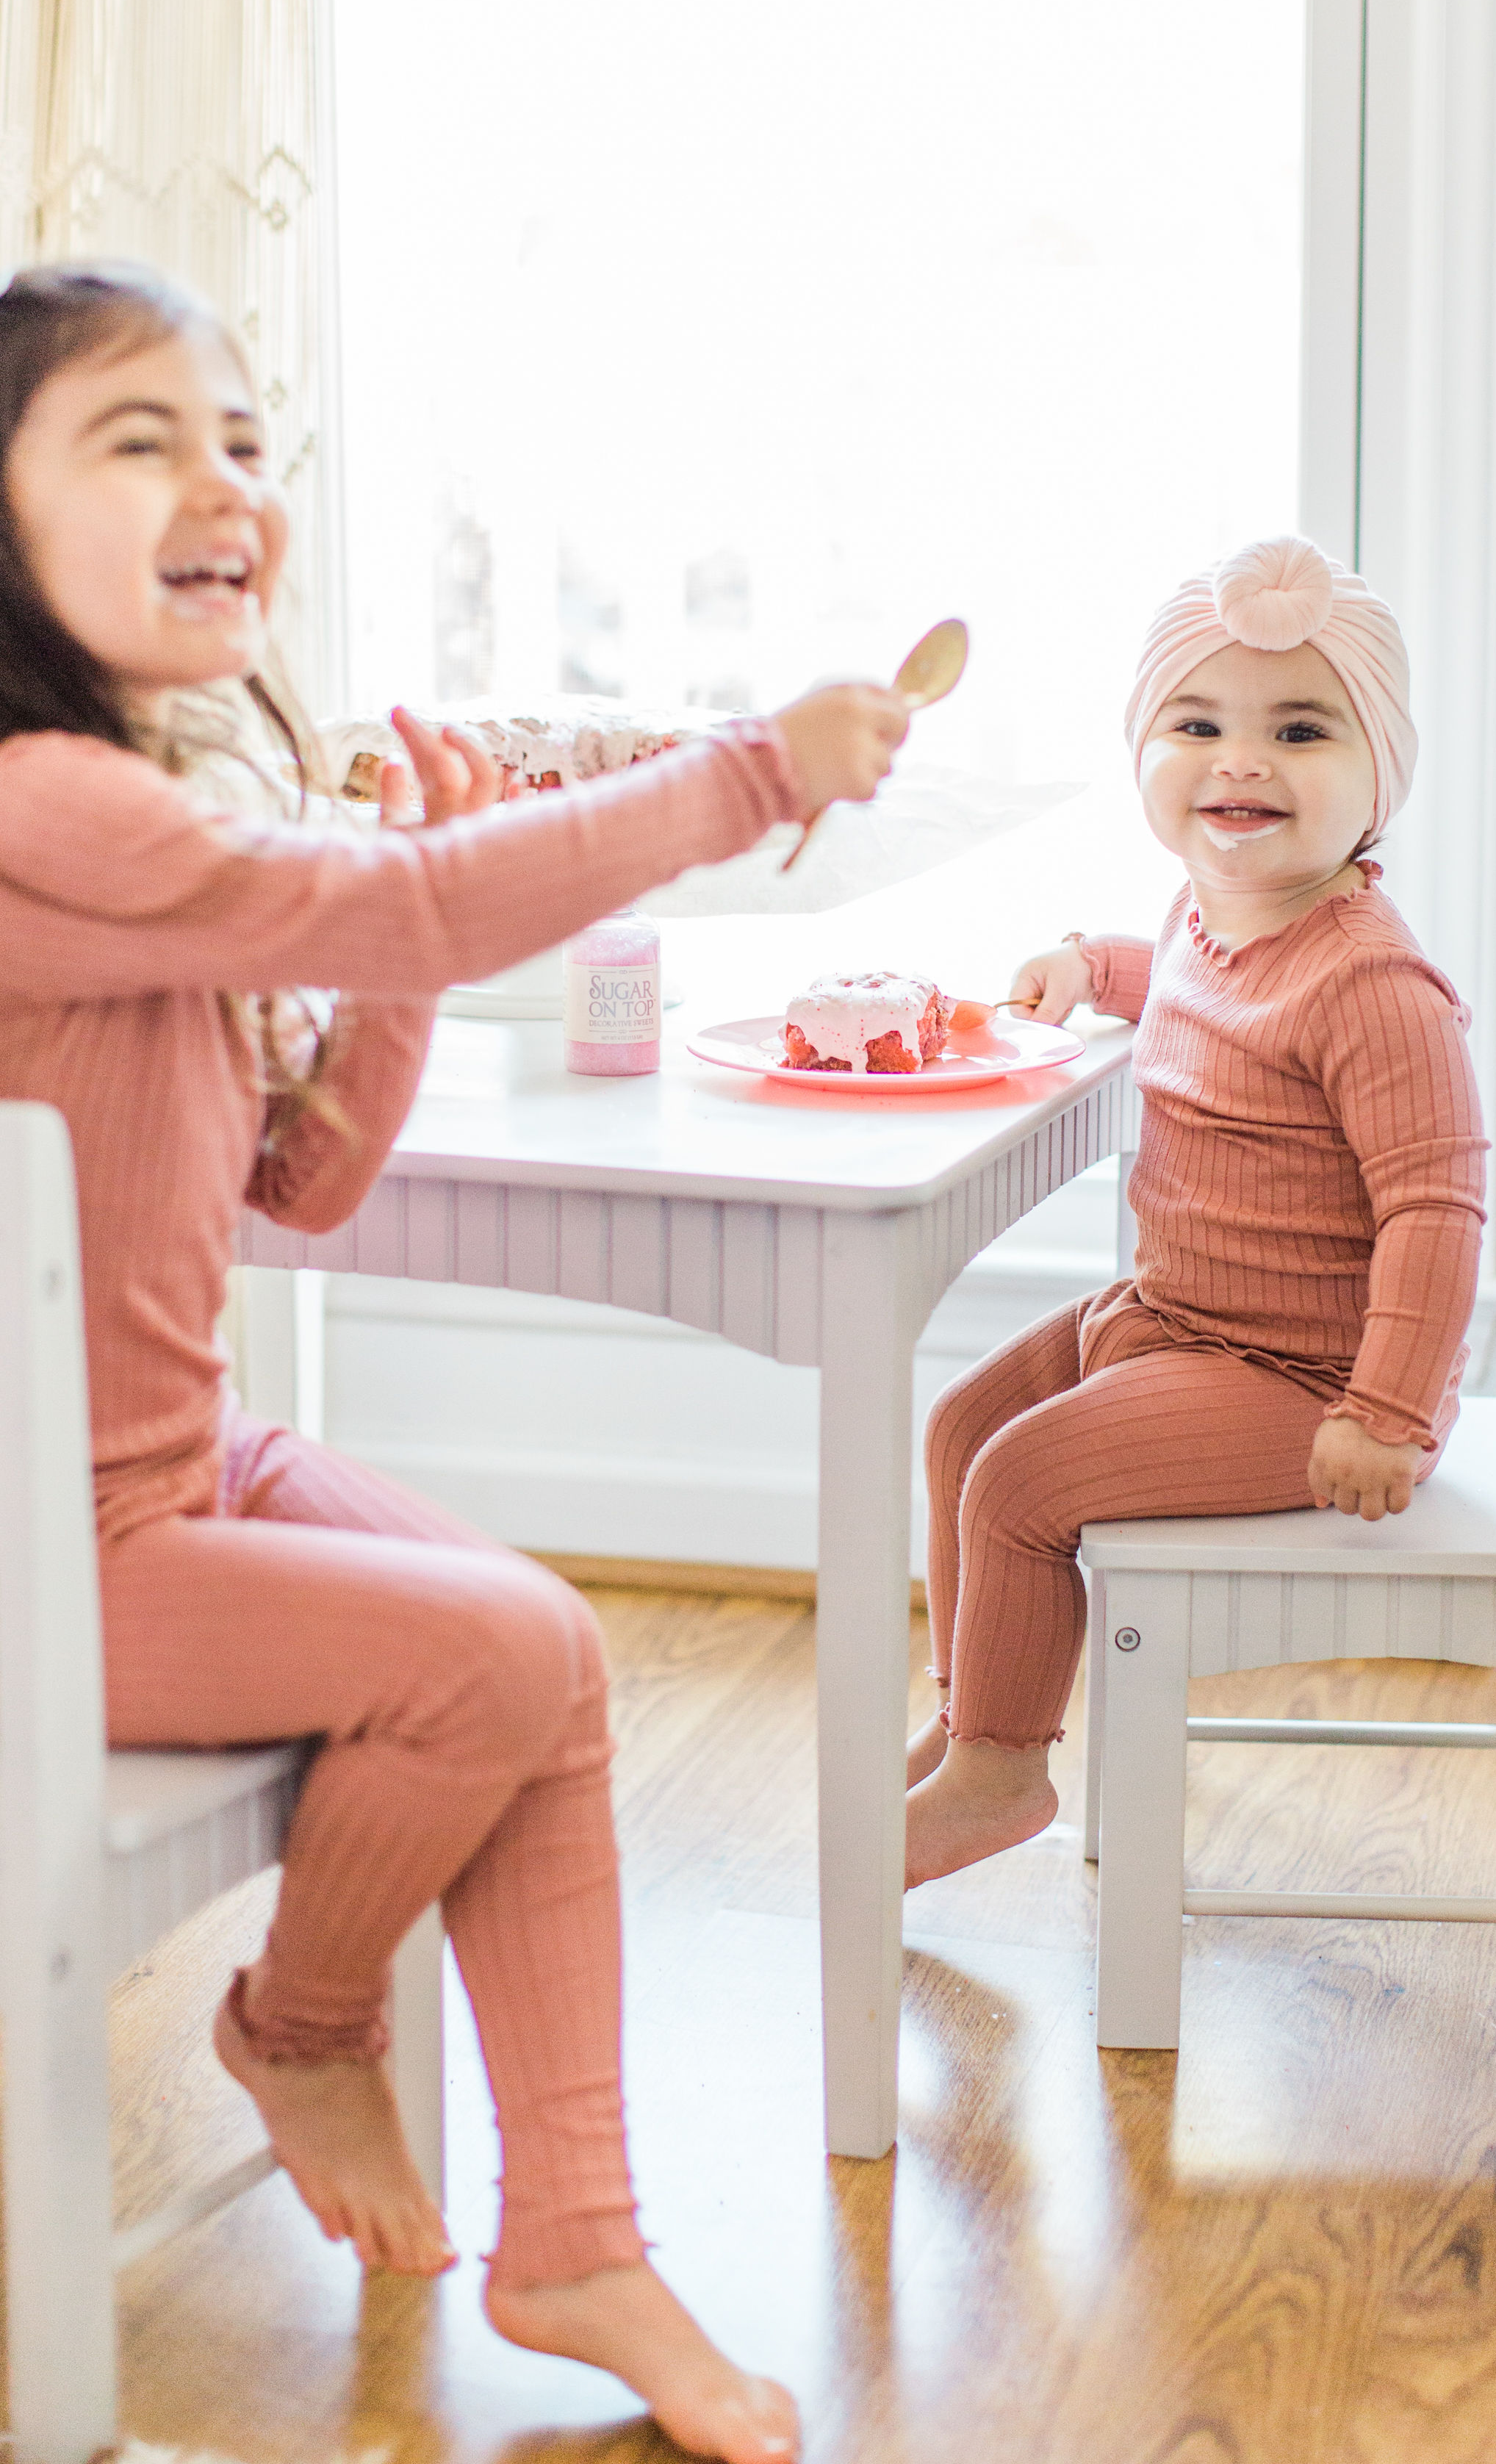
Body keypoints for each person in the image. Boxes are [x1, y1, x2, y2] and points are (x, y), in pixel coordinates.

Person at [0, 256, 911, 2464]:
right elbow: (404, 914)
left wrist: (395, 926)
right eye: (143, 436)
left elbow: (303, 1188)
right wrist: (740, 773)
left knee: (555, 1664)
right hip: (48, 1542)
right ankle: (304, 2026)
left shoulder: (161, 819)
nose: (225, 479)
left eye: (245, 440)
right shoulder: (49, 807)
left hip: (169, 1467)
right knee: (496, 1655)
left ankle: (578, 2235)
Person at [904, 534, 1488, 1889]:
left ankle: (1001, 1773)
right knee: (959, 1427)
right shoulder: (1206, 912)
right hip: (1178, 1319)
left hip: (1308, 1378)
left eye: (1300, 728)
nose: (1240, 760)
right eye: (1199, 722)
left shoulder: (1373, 988)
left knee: (1022, 1479)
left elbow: (1438, 1212)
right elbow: (1178, 981)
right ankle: (970, 1710)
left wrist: (1385, 1411)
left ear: (1377, 774)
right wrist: (1087, 964)